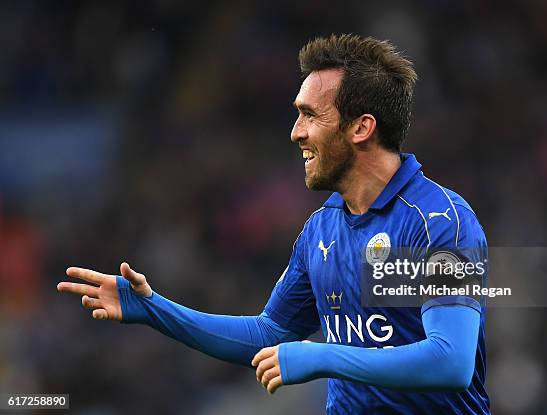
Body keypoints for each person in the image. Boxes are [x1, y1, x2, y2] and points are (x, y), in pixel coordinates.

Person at [58, 34, 490, 414]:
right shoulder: (322, 230)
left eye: (310, 115)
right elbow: (267, 334)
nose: (295, 132)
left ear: (361, 128)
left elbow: (449, 362)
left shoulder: (440, 223)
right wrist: (155, 310)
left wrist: (323, 356)